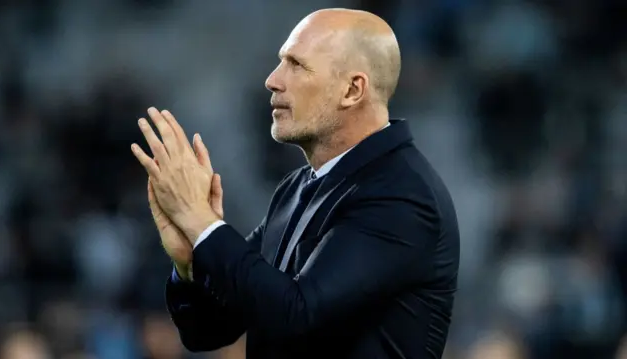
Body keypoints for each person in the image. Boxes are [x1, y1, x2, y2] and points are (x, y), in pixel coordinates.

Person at [131, 8, 460, 359]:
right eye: (280, 62)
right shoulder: (297, 188)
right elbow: (210, 331)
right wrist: (190, 264)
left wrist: (203, 224)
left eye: (296, 65)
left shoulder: (401, 196)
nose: (272, 80)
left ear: (352, 89)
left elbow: (295, 314)